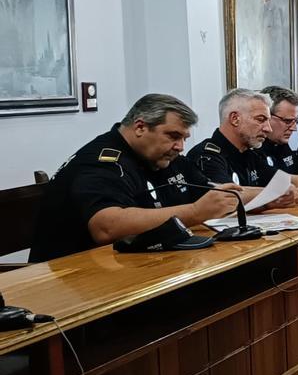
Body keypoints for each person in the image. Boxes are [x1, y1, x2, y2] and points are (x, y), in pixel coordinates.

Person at [28, 94, 242, 261]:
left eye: (184, 138)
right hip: (72, 275)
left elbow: (216, 194)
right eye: (173, 136)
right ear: (140, 127)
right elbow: (106, 227)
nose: (180, 146)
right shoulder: (101, 162)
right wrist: (194, 212)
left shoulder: (162, 155)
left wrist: (269, 195)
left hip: (132, 259)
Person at [188, 88, 298, 204]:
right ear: (235, 119)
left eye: (268, 121)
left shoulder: (249, 153)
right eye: (261, 120)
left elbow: (289, 180)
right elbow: (229, 197)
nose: (268, 129)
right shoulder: (207, 155)